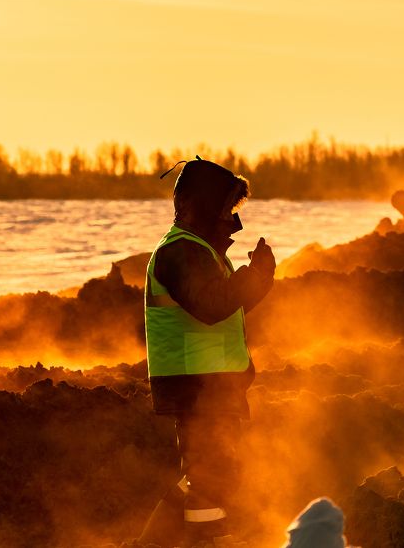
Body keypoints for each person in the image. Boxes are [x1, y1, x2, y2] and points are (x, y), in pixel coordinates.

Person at [138, 158, 275, 547]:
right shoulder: (181, 252)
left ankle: (153, 543)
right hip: (196, 386)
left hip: (210, 385)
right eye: (227, 210)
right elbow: (212, 306)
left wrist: (259, 277)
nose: (233, 222)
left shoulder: (200, 250)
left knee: (207, 472)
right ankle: (210, 542)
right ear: (199, 206)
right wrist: (255, 275)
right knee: (213, 474)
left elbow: (228, 305)